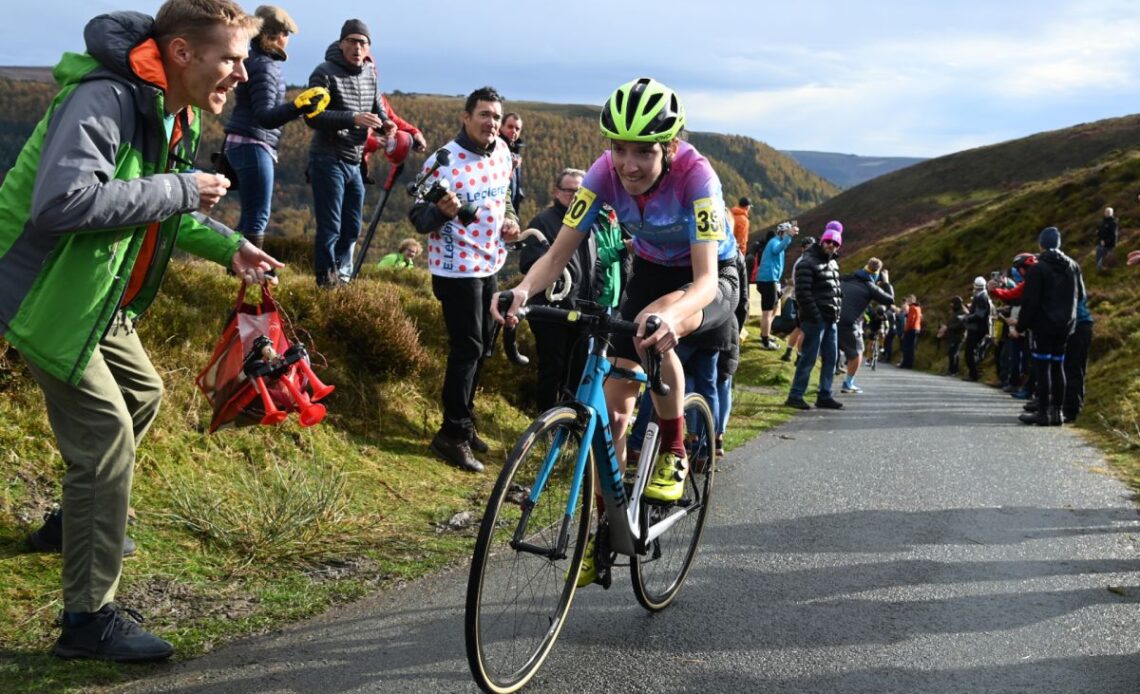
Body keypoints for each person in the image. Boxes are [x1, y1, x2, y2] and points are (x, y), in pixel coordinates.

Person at [0, 0, 281, 662]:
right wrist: (183, 189)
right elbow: (61, 203)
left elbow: (158, 203)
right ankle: (86, 622)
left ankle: (76, 524)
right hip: (47, 295)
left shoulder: (170, 108)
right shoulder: (107, 99)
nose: (244, 73)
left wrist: (227, 246)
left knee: (144, 395)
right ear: (183, 53)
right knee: (106, 437)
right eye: (233, 58)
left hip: (93, 293)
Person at [495, 77, 739, 512]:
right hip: (650, 269)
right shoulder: (601, 174)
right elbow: (556, 254)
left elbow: (702, 282)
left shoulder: (696, 177)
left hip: (712, 274)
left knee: (652, 322)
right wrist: (522, 289)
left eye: (644, 151)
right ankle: (605, 525)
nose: (629, 164)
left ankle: (675, 450)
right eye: (619, 147)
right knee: (616, 410)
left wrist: (670, 317)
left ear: (670, 147)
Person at [411, 86, 521, 472]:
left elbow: (505, 196)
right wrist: (441, 213)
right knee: (467, 347)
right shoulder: (443, 161)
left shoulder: (504, 151)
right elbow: (418, 218)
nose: (491, 123)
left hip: (491, 262)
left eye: (496, 116)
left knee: (484, 346)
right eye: (484, 115)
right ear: (466, 117)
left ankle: (466, 421)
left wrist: (512, 221)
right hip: (455, 268)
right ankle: (451, 435)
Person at [305, 18, 395, 287]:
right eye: (352, 41)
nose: (357, 47)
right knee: (330, 226)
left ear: (368, 48)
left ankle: (338, 273)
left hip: (354, 161)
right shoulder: (324, 72)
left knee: (352, 227)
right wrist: (352, 118)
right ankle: (325, 281)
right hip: (326, 157)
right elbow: (312, 116)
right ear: (341, 43)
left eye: (363, 43)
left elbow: (378, 109)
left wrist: (386, 124)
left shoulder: (370, 74)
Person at [222, 5, 317, 251]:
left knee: (249, 213)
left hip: (243, 143)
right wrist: (298, 107)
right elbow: (264, 116)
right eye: (286, 35)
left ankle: (236, 269)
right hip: (253, 144)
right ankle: (250, 272)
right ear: (274, 35)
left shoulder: (254, 60)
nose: (287, 41)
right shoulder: (264, 66)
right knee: (258, 216)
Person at [518, 167, 598, 410]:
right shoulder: (542, 221)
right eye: (568, 190)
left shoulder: (590, 224)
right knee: (552, 368)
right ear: (556, 192)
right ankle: (544, 422)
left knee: (578, 370)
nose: (574, 196)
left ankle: (567, 425)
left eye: (580, 191)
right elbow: (528, 262)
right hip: (551, 310)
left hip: (583, 311)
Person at [1016, 227, 1085, 426]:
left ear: (1041, 244)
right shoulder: (1073, 265)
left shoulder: (1038, 268)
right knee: (1058, 366)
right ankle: (1058, 414)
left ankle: (1044, 413)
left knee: (1043, 367)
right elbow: (1081, 295)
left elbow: (1030, 301)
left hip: (1044, 325)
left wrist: (1021, 325)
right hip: (1066, 325)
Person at [784, 225, 843, 410]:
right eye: (828, 241)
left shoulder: (833, 263)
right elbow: (802, 293)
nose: (831, 245)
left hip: (831, 319)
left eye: (835, 243)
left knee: (831, 359)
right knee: (808, 358)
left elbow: (836, 291)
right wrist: (815, 316)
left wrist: (837, 313)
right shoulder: (807, 262)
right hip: (815, 320)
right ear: (822, 241)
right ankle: (795, 395)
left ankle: (824, 395)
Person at [837, 258, 893, 393]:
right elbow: (889, 299)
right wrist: (886, 282)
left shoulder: (847, 278)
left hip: (831, 318)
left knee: (831, 352)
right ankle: (848, 383)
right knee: (857, 352)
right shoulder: (870, 286)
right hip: (849, 323)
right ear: (876, 275)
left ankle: (823, 387)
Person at [756, 220, 800, 349]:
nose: (787, 236)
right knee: (767, 312)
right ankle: (765, 341)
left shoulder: (777, 241)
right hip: (768, 281)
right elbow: (777, 250)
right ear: (781, 233)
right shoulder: (775, 242)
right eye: (786, 233)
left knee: (775, 308)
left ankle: (766, 334)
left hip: (772, 280)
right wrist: (789, 236)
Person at [963, 276, 992, 381]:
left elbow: (979, 315)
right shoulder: (983, 296)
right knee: (972, 351)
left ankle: (974, 374)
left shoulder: (981, 297)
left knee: (970, 352)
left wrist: (966, 318)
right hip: (978, 328)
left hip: (977, 328)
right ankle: (974, 373)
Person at [502, 112, 525, 212]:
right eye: (510, 127)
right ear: (501, 127)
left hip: (511, 211)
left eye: (517, 128)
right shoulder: (495, 149)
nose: (513, 131)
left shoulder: (515, 153)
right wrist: (510, 168)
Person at [943, 296, 968, 375]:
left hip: (959, 335)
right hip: (953, 334)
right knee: (954, 352)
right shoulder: (956, 311)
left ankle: (952, 370)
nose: (951, 305)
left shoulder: (963, 312)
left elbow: (961, 325)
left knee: (953, 352)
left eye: (952, 303)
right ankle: (954, 370)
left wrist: (948, 327)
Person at [899, 294, 922, 368]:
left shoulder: (912, 308)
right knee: (911, 347)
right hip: (917, 328)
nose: (908, 301)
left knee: (907, 347)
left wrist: (906, 330)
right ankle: (909, 364)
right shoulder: (918, 307)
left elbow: (910, 320)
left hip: (911, 329)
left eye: (909, 300)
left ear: (912, 300)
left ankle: (906, 363)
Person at [1096, 206, 1118, 271]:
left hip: (1109, 244)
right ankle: (1100, 270)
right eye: (1106, 212)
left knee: (1107, 257)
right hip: (1101, 243)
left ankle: (1107, 270)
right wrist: (1098, 233)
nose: (1107, 213)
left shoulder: (1113, 222)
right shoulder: (1103, 221)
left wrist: (1106, 241)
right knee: (1099, 256)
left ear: (1112, 213)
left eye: (1109, 212)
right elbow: (1101, 231)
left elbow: (1113, 234)